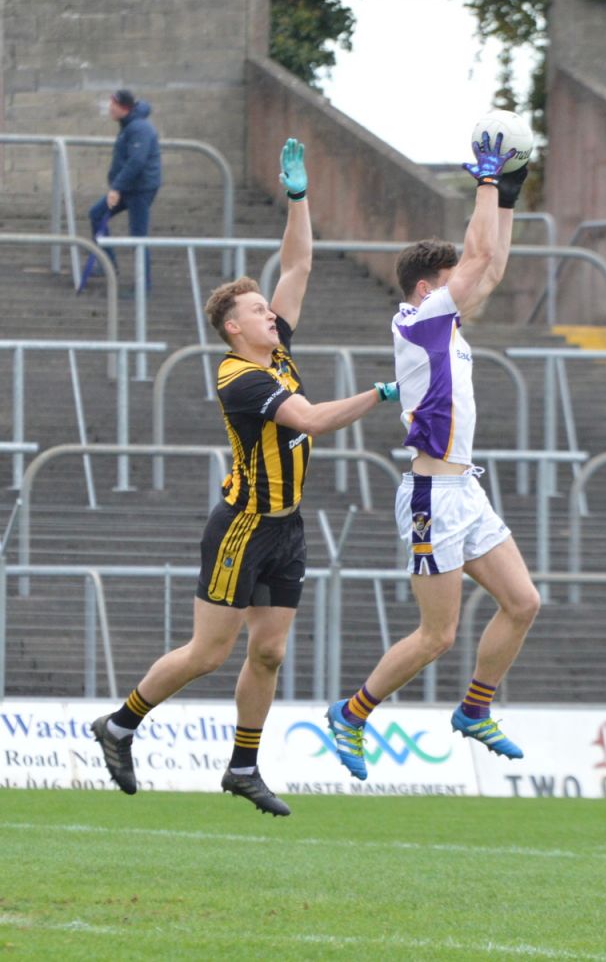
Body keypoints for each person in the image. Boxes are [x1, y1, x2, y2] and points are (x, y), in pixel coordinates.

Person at [91, 139, 401, 816]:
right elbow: (312, 421)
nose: (272, 313)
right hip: (243, 525)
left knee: (269, 653)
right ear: (235, 329)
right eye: (260, 311)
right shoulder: (241, 376)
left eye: (269, 310)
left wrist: (298, 198)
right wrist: (383, 393)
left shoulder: (274, 346)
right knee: (210, 652)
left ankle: (242, 767)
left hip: (286, 527)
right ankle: (119, 725)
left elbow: (299, 261)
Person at [325, 133, 541, 778]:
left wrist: (510, 188)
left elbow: (491, 264)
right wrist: (482, 181)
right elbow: (479, 257)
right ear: (427, 288)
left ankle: (474, 709)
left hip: (463, 490)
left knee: (524, 602)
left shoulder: (444, 323)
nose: (470, 290)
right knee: (437, 635)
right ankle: (352, 713)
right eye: (454, 284)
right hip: (430, 496)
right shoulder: (418, 320)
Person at [83, 89, 162, 291]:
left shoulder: (139, 128)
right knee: (97, 214)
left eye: (113, 104)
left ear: (123, 108)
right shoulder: (129, 125)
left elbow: (136, 162)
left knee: (138, 236)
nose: (109, 108)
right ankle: (107, 263)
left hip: (139, 190)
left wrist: (116, 188)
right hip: (128, 188)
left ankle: (144, 286)